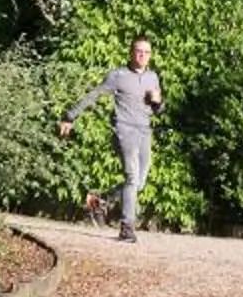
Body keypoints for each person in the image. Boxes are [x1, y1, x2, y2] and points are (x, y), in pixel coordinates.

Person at [59, 36, 165, 242]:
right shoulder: (118, 75)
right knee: (132, 178)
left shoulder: (153, 77)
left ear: (150, 55)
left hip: (144, 131)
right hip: (124, 130)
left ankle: (99, 201)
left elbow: (158, 109)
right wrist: (69, 116)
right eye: (138, 51)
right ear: (131, 52)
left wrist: (158, 103)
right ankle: (126, 228)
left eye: (146, 52)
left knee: (139, 183)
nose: (142, 55)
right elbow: (94, 95)